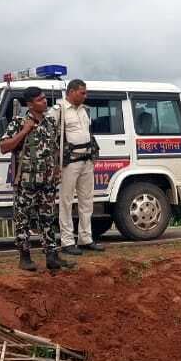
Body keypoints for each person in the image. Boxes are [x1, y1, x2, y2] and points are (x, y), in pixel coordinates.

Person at [0, 87, 74, 273]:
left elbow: (54, 148)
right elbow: (4, 147)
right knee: (23, 219)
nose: (45, 101)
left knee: (48, 218)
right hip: (26, 182)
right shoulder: (19, 122)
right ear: (30, 104)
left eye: (44, 98)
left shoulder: (49, 122)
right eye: (40, 100)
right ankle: (25, 257)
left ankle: (52, 256)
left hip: (47, 181)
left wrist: (56, 168)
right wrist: (24, 131)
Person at [51, 79, 105, 256]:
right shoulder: (58, 111)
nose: (85, 95)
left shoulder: (85, 110)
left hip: (86, 159)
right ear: (72, 91)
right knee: (66, 202)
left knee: (86, 201)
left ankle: (85, 238)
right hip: (69, 162)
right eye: (82, 92)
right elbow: (52, 138)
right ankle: (67, 241)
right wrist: (55, 163)